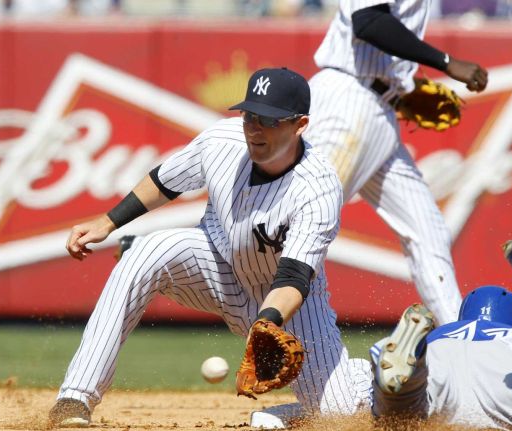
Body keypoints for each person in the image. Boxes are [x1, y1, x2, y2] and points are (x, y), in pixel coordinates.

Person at [47, 67, 374, 428]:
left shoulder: (318, 188)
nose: (254, 128)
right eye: (249, 115)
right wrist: (108, 222)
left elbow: (294, 277)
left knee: (340, 415)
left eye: (268, 120)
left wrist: (266, 323)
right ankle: (75, 397)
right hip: (215, 265)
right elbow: (165, 181)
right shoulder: (222, 140)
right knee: (142, 254)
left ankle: (371, 374)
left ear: (300, 125)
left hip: (288, 303)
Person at [303, 0, 490, 326]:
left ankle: (456, 336)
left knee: (427, 230)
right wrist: (446, 62)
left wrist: (403, 86)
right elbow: (367, 21)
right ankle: (257, 314)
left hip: (378, 106)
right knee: (303, 221)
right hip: (347, 103)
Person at [371, 218, 512, 430]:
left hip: (439, 365)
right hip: (502, 381)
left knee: (401, 418)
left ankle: (410, 378)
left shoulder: (444, 333)